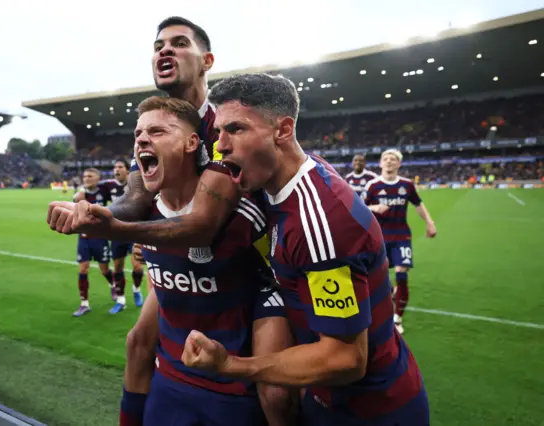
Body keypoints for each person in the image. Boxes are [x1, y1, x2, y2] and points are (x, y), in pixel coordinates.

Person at [46, 18, 294, 426]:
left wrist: (115, 230)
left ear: (207, 60)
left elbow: (202, 222)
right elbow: (135, 199)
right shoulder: (158, 127)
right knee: (138, 341)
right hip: (188, 264)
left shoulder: (225, 126)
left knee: (276, 391)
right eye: (158, 45)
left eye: (179, 44)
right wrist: (96, 214)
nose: (164, 50)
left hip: (250, 266)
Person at [176, 73, 430, 426]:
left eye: (235, 129)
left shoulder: (321, 221)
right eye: (220, 131)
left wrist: (231, 366)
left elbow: (344, 359)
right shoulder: (281, 182)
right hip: (324, 398)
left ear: (282, 130)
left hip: (368, 410)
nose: (221, 145)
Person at [78, 97, 295, 425]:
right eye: (137, 133)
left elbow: (277, 278)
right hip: (172, 380)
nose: (141, 139)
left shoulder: (240, 212)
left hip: (231, 385)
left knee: (278, 394)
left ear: (192, 142)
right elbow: (163, 278)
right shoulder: (145, 210)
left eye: (157, 131)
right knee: (137, 340)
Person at [363, 150, 437, 334]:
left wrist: (430, 223)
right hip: (378, 237)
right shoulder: (373, 185)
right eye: (386, 159)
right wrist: (374, 207)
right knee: (378, 279)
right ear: (380, 163)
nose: (389, 162)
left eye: (393, 159)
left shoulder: (407, 185)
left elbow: (418, 205)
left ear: (399, 164)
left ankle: (397, 319)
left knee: (402, 275)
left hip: (401, 236)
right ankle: (389, 297)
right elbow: (359, 207)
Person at [71, 168, 114, 317]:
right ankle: (84, 304)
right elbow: (74, 206)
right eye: (84, 176)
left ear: (97, 178)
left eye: (90, 176)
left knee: (104, 270)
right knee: (83, 269)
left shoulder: (104, 191)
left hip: (100, 238)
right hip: (84, 238)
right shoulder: (80, 195)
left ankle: (113, 284)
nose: (86, 178)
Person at [105, 158, 144, 313]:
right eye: (115, 167)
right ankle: (121, 300)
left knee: (138, 267)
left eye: (120, 167)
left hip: (134, 232)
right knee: (118, 267)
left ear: (128, 170)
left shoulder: (136, 185)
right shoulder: (108, 186)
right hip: (117, 233)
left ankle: (136, 289)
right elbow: (88, 191)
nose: (117, 170)